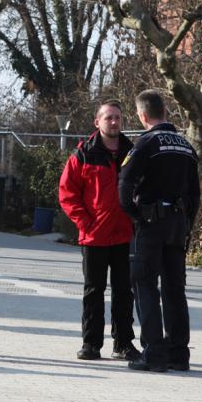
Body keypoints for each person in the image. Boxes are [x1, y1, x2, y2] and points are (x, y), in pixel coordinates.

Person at [118, 89, 200, 372]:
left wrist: (135, 215)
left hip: (151, 224)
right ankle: (179, 353)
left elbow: (125, 184)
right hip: (178, 224)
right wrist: (186, 223)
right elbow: (195, 194)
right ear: (164, 112)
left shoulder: (146, 143)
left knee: (144, 284)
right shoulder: (185, 145)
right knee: (175, 288)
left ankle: (153, 353)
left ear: (143, 115)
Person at [59, 100, 140, 362]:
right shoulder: (83, 154)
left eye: (117, 117)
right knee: (93, 291)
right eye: (108, 118)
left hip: (125, 234)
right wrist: (85, 223)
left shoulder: (134, 152)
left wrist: (138, 219)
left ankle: (124, 343)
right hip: (94, 236)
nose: (114, 122)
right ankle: (91, 344)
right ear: (97, 122)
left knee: (124, 292)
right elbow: (68, 193)